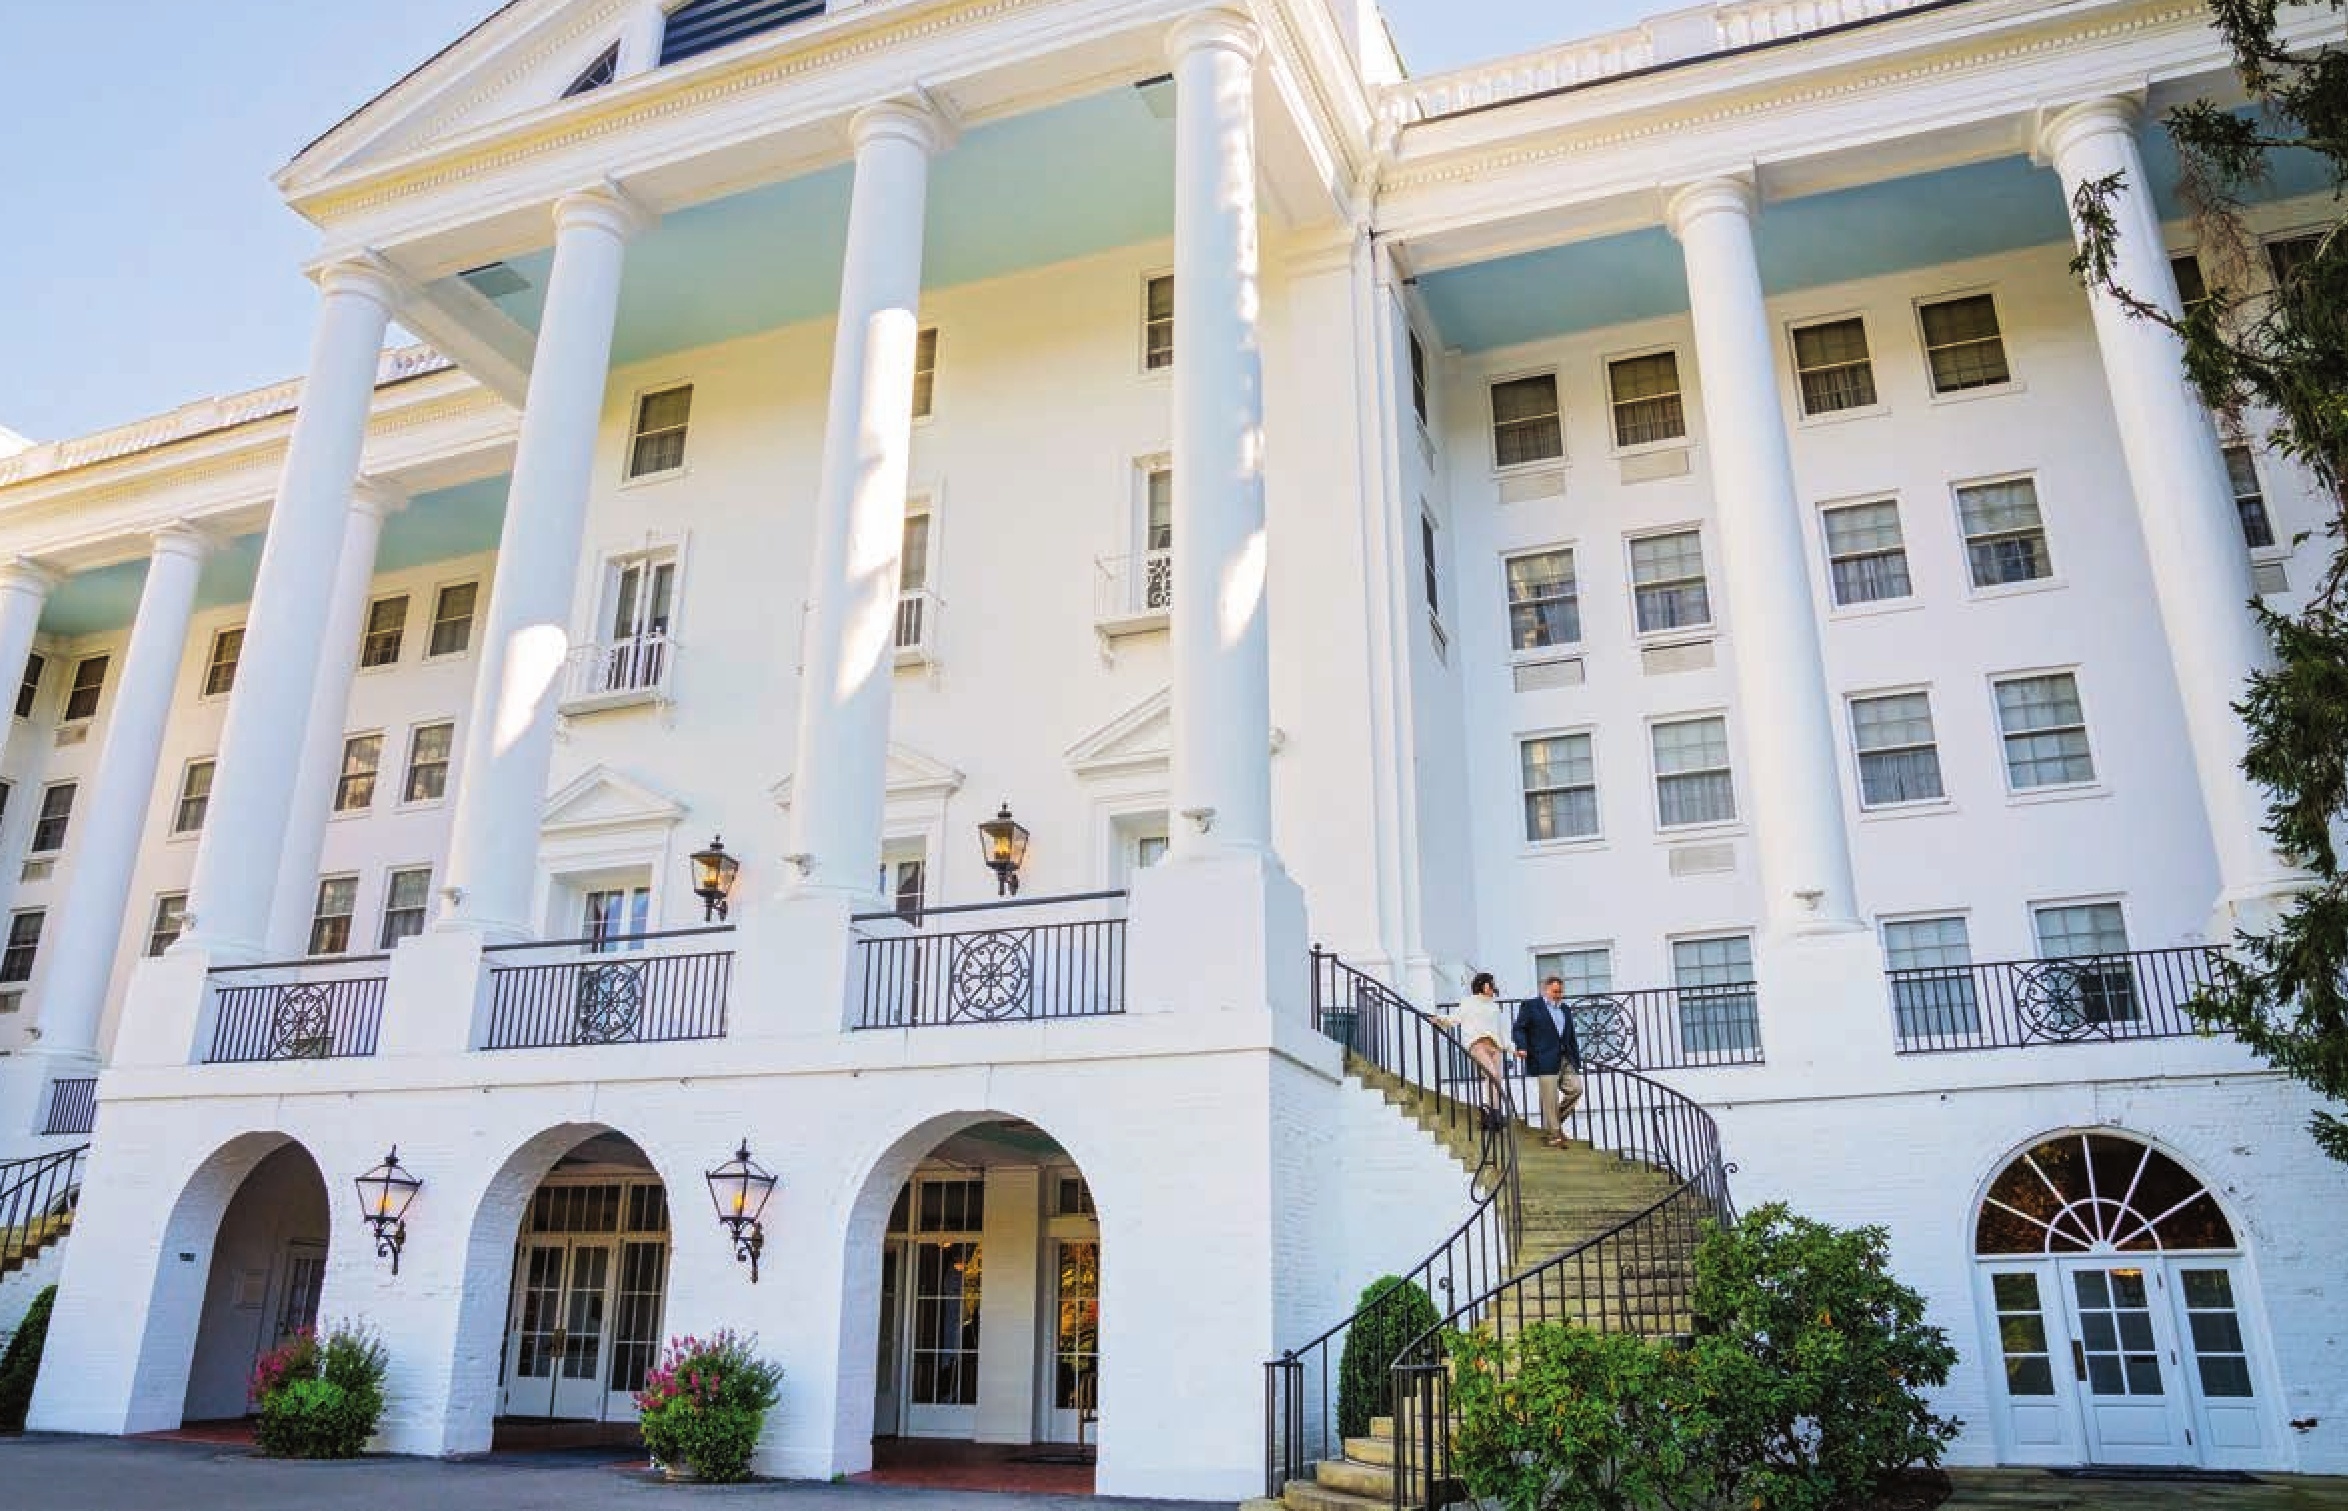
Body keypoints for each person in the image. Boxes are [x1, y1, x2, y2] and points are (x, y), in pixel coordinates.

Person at [1432, 972, 1521, 1129]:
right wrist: (1439, 1019)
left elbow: (1501, 1031)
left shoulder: (1494, 1006)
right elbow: (1455, 1018)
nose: (1493, 987)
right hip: (1477, 1045)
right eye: (1491, 984)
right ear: (1483, 985)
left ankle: (1494, 1114)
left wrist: (1513, 1049)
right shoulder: (1469, 1002)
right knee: (1492, 1075)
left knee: (1496, 1079)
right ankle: (1489, 1111)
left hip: (1495, 1047)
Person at [1513, 976, 1586, 1149]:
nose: (1558, 995)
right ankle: (1554, 1135)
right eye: (1555, 991)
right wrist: (1522, 1047)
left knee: (1576, 1089)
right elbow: (1519, 1028)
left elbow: (1571, 1036)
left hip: (1565, 1058)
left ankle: (1553, 1124)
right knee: (1550, 1099)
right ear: (1545, 990)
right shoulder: (1531, 1006)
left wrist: (1575, 1059)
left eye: (1560, 991)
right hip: (1543, 1058)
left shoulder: (1565, 1010)